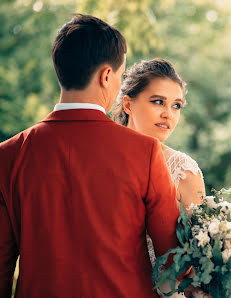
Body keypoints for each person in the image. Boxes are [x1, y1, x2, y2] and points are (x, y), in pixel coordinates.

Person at [0, 14, 179, 298]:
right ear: (107, 76)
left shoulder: (8, 155)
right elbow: (173, 258)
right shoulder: (145, 152)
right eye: (121, 76)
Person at [111, 59, 205, 210]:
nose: (168, 115)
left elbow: (199, 233)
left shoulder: (184, 172)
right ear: (128, 105)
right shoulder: (100, 156)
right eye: (158, 102)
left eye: (176, 106)